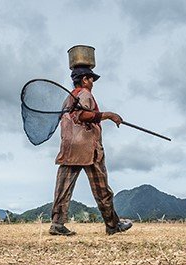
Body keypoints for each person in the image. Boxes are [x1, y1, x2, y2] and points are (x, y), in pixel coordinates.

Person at [49, 66, 133, 236]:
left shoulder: (69, 98)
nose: (92, 82)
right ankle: (112, 225)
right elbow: (82, 115)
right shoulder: (85, 94)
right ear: (85, 79)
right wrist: (108, 115)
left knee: (63, 187)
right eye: (91, 79)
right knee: (101, 187)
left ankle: (57, 224)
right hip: (88, 147)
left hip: (70, 147)